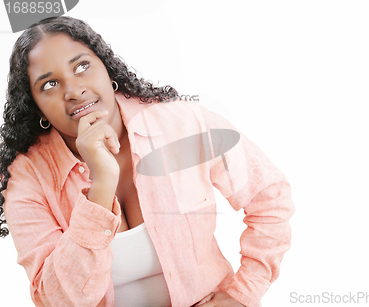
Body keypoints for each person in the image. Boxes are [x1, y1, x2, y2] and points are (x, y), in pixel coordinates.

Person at [0, 16, 294, 307]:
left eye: (82, 66)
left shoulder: (181, 123)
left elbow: (270, 198)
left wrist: (243, 294)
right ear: (35, 105)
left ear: (106, 67)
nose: (74, 91)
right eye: (49, 84)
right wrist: (100, 187)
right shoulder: (26, 179)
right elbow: (58, 300)